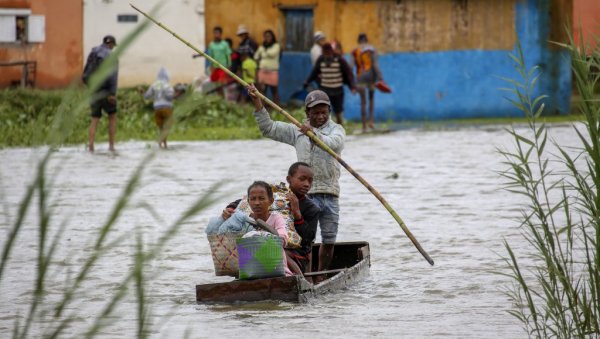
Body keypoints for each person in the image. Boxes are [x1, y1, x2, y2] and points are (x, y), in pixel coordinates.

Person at [248, 84, 344, 273]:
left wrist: (313, 133)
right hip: (306, 196)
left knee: (329, 238)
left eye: (323, 112)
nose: (320, 116)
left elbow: (334, 144)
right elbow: (269, 128)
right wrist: (257, 101)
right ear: (307, 112)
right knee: (305, 241)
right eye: (315, 113)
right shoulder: (297, 130)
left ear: (329, 112)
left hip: (330, 194)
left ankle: (322, 276)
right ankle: (306, 276)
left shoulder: (336, 129)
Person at [304, 43, 356, 126]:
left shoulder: (339, 59)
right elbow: (314, 72)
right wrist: (307, 82)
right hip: (325, 91)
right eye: (325, 54)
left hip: (338, 90)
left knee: (339, 112)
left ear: (332, 52)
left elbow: (348, 73)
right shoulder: (321, 59)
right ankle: (326, 130)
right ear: (323, 53)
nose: (327, 56)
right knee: (325, 112)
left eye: (329, 54)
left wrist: (352, 86)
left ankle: (340, 129)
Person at [82, 35, 119, 153]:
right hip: (106, 90)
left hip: (94, 90)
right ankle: (111, 146)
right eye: (113, 46)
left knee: (94, 118)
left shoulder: (93, 52)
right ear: (111, 44)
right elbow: (113, 75)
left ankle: (91, 146)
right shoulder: (111, 55)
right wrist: (112, 93)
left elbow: (86, 72)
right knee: (112, 116)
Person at [284, 162, 320, 273]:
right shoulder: (276, 196)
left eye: (310, 181)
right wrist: (231, 208)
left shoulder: (312, 208)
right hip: (273, 244)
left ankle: (301, 279)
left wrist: (297, 214)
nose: (307, 184)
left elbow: (307, 240)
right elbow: (250, 200)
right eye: (302, 179)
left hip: (297, 253)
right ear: (289, 179)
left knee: (278, 252)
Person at [351, 33, 384, 132]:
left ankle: (364, 126)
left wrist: (352, 83)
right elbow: (375, 64)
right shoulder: (372, 50)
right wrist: (380, 77)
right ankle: (371, 122)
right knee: (371, 100)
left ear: (358, 41)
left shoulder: (354, 51)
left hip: (360, 78)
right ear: (366, 40)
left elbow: (350, 67)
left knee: (363, 102)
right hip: (371, 78)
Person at [141, 67, 176, 149]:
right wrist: (176, 95)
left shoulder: (154, 84)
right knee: (166, 127)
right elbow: (169, 96)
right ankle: (165, 144)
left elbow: (147, 96)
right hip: (167, 108)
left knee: (161, 127)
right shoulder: (168, 85)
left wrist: (143, 93)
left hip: (157, 109)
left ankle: (161, 144)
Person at [254, 29, 281, 105]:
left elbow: (272, 54)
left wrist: (263, 53)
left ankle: (277, 107)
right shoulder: (262, 46)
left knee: (274, 90)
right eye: (265, 36)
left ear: (272, 37)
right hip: (262, 70)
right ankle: (263, 106)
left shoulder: (276, 46)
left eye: (269, 36)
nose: (267, 38)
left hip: (273, 71)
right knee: (262, 90)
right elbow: (256, 56)